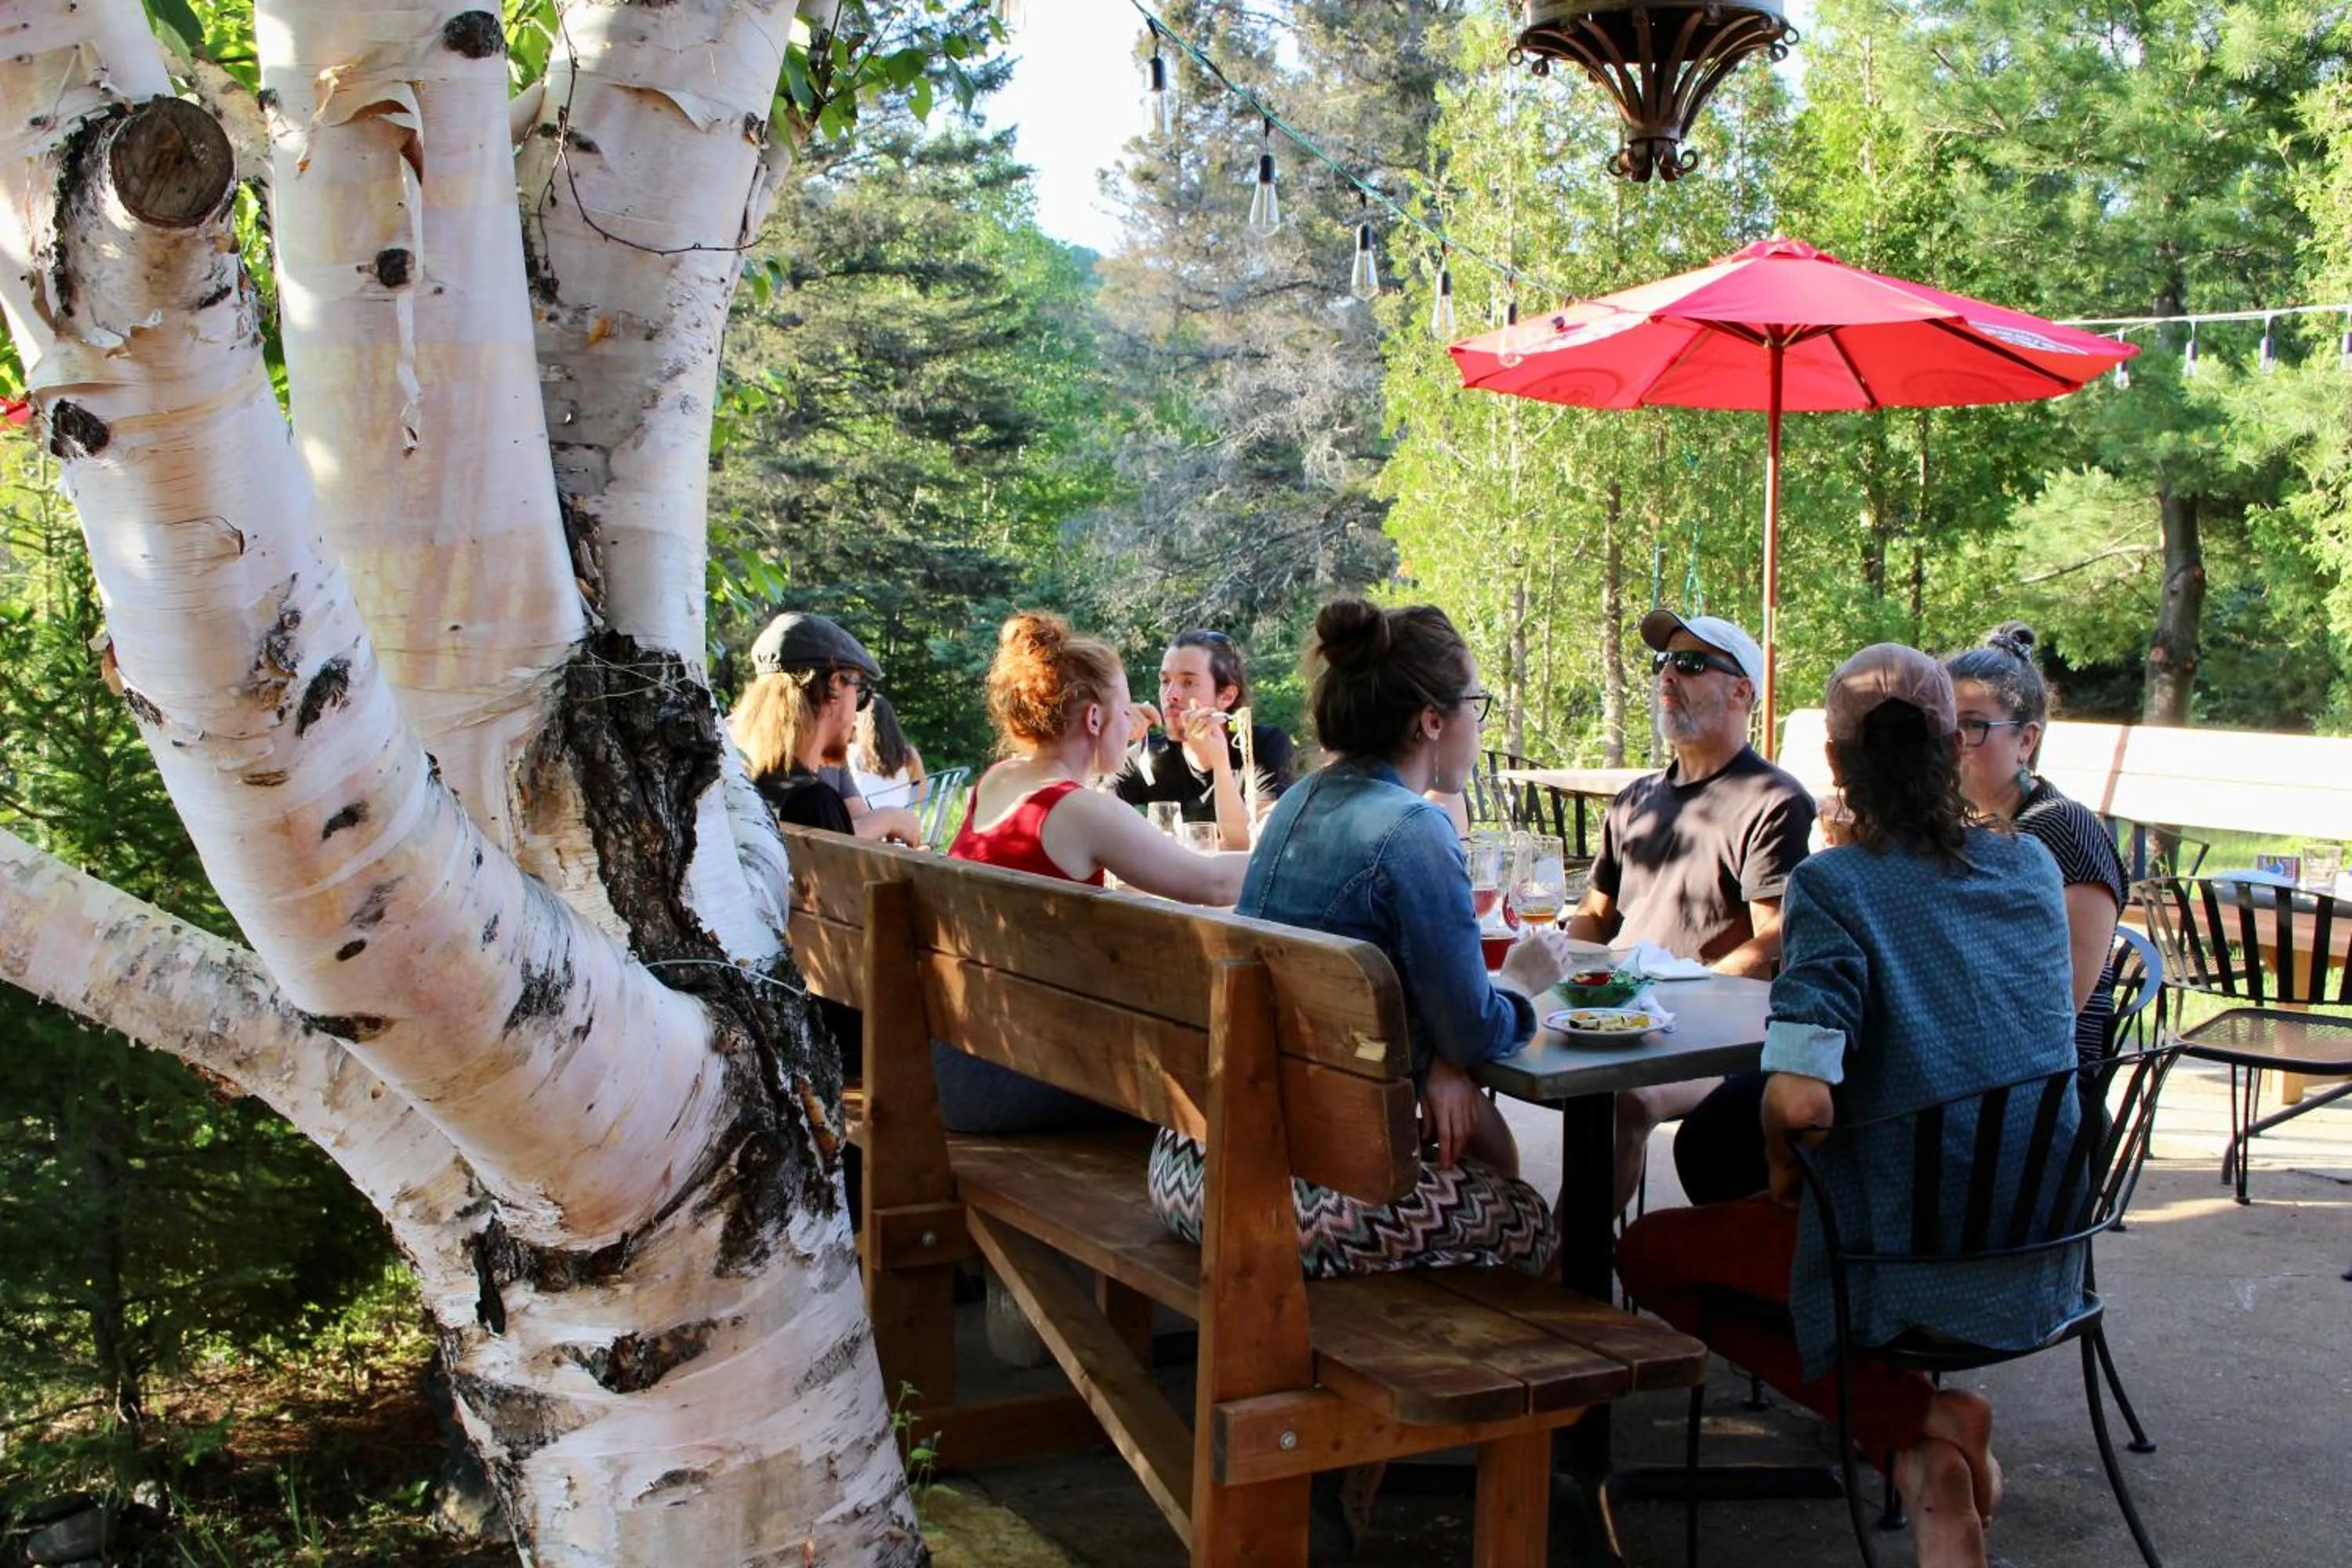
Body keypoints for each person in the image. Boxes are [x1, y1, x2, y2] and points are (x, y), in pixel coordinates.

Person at [1617, 644, 2081, 1568]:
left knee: (1648, 1252)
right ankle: (1917, 1432)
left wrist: (1787, 1181)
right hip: (2046, 1244)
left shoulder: (1836, 884)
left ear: (1834, 763)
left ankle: (1919, 1426)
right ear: (1953, 745)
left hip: (1900, 1253)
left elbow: (1798, 1101)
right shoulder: (2028, 864)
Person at [1147, 598, 1572, 1275]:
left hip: (1195, 1157)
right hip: (1282, 1191)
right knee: (1527, 1219)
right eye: (1475, 704)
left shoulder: (1298, 802)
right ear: (1432, 721)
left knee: (1483, 1162)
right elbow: (1473, 1029)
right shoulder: (1414, 830)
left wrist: (1438, 1060)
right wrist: (1519, 980)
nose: (1477, 723)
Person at [936, 611, 1250, 1134]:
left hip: (960, 1055)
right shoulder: (1080, 810)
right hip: (1010, 1079)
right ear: (1096, 720)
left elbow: (1074, 832)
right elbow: (1212, 884)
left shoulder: (1000, 778)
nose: (1135, 723)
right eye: (1125, 710)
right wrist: (1294, 854)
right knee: (1215, 1054)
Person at [1566, 608, 1816, 1209]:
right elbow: (1595, 916)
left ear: (1741, 691)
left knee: (1628, 1100)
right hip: (1621, 1016)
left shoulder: (1773, 801)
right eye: (1663, 662)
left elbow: (1775, 940)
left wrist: (1681, 988)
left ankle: (1560, 1273)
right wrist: (1559, 966)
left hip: (1709, 1037)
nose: (1668, 675)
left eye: (1692, 663)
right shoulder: (1638, 799)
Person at [1948, 622, 2126, 1065]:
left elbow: (2062, 1006)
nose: (1950, 746)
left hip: (2041, 1093)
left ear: (2026, 740)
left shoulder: (2063, 831)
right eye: (1940, 726)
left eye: (1971, 727)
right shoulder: (1962, 828)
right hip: (1971, 1068)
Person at [731, 612, 923, 845]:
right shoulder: (814, 801)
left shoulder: (746, 783)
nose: (858, 711)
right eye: (860, 692)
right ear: (835, 685)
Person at [1114, 629, 1296, 850]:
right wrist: (1112, 740)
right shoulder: (1147, 756)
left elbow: (1250, 843)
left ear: (1227, 696)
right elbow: (1092, 820)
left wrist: (1220, 763)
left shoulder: (1260, 747)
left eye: (1188, 682)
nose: (1171, 694)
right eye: (1164, 681)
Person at [849, 691, 927, 812]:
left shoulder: (851, 754)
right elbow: (920, 794)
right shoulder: (909, 755)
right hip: (901, 825)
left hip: (865, 824)